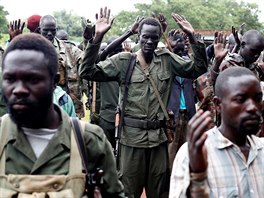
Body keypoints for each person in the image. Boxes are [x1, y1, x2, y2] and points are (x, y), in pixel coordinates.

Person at [79, 7, 208, 198]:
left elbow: (198, 68)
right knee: (129, 192)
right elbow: (87, 72)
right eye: (145, 37)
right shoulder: (124, 61)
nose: (149, 41)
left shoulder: (167, 60)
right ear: (138, 35)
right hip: (131, 140)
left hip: (158, 139)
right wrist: (97, 38)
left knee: (159, 192)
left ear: (158, 38)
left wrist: (191, 37)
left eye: (154, 38)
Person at [0, 33, 125, 197]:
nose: (19, 89)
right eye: (9, 79)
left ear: (54, 81)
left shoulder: (89, 141)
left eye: (32, 79)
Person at [169, 66, 264, 197]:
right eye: (240, 100)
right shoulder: (191, 154)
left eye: (257, 98)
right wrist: (198, 177)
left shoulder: (261, 150)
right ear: (218, 105)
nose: (253, 107)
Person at [38, 15, 85, 119]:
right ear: (39, 29)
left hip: (66, 104)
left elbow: (86, 61)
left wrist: (90, 40)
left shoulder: (69, 48)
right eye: (46, 30)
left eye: (53, 30)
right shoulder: (31, 49)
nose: (49, 34)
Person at [166, 29, 197, 171]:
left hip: (189, 114)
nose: (180, 43)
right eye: (177, 41)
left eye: (181, 41)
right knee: (171, 153)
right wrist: (170, 49)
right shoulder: (166, 62)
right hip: (173, 115)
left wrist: (192, 40)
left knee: (189, 151)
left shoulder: (189, 63)